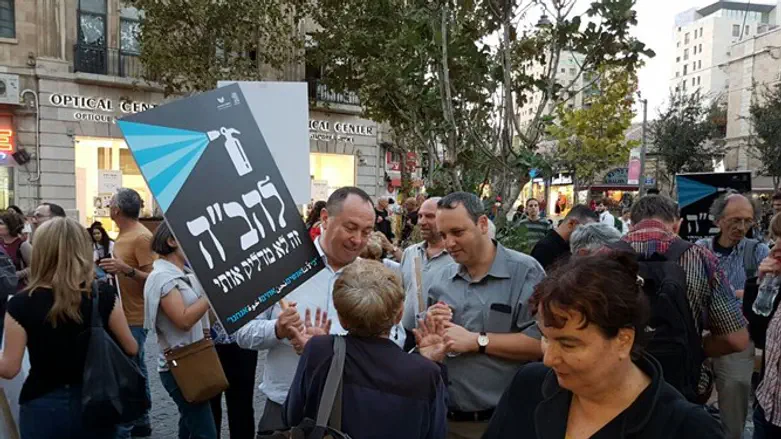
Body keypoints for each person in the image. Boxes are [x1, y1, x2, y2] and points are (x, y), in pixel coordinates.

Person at [483, 252, 724, 439]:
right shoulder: (529, 386)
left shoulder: (687, 428)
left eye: (568, 345)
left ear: (623, 340)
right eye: (546, 338)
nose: (549, 359)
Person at [235, 187, 376, 434]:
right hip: (284, 408)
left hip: (348, 408)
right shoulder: (282, 268)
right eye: (350, 228)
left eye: (366, 232)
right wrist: (278, 329)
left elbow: (391, 340)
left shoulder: (373, 276)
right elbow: (243, 333)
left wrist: (326, 349)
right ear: (324, 218)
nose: (358, 240)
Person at [0, 217, 138, 439]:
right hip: (97, 400)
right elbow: (131, 348)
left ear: (41, 252)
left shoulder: (20, 303)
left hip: (42, 404)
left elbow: (9, 368)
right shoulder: (102, 294)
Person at [424, 192, 545, 439]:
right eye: (443, 235)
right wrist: (431, 338)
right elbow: (432, 345)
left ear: (482, 224)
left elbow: (543, 344)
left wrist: (477, 341)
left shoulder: (525, 272)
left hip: (502, 423)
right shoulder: (440, 278)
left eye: (458, 233)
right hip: (444, 421)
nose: (449, 244)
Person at [284, 260, 448, 438]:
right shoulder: (427, 372)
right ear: (399, 314)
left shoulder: (320, 349)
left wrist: (319, 352)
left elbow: (292, 416)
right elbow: (435, 432)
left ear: (341, 318)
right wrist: (431, 362)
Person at [623, 195, 750, 402]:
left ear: (630, 224)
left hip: (615, 387)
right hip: (678, 389)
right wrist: (694, 347)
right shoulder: (701, 258)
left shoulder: (601, 257)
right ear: (677, 224)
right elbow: (735, 339)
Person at [695, 191, 769, 439]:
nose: (742, 227)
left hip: (737, 337)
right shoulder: (699, 250)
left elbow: (766, 294)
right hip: (702, 335)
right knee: (690, 400)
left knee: (734, 400)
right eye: (735, 220)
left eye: (748, 221)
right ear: (718, 220)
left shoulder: (757, 252)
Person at [144, 222, 217, 439]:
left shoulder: (185, 274)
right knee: (205, 433)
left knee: (190, 425)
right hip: (179, 365)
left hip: (195, 359)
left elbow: (204, 319)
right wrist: (210, 295)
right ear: (171, 241)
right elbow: (183, 320)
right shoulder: (162, 277)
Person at [99, 188, 155, 438]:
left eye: (110, 203)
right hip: (121, 312)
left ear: (116, 210)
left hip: (135, 314)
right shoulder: (122, 235)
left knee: (132, 368)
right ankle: (137, 419)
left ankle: (139, 419)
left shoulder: (141, 237)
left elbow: (155, 280)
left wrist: (125, 269)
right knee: (128, 366)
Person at [744, 212, 781, 438]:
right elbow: (757, 332)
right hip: (767, 406)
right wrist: (761, 281)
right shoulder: (776, 280)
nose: (777, 246)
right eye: (776, 237)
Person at [400, 197, 453, 332]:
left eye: (430, 216)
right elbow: (401, 293)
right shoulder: (410, 253)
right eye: (420, 216)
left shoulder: (457, 259)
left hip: (439, 339)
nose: (421, 222)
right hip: (406, 337)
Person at [530, 205, 599, 270]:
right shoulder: (544, 249)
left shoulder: (571, 246)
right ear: (571, 223)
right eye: (586, 229)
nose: (588, 235)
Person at [0, 210, 31, 290]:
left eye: (1, 224)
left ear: (11, 226)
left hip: (18, 289)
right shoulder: (0, 244)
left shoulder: (23, 245)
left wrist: (15, 275)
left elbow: (34, 267)